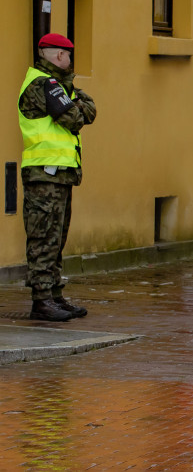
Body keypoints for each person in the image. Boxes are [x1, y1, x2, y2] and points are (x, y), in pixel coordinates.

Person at [18, 33, 97, 322]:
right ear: (57, 56)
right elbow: (76, 118)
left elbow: (89, 108)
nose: (70, 61)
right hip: (43, 175)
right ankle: (41, 300)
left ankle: (54, 295)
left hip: (59, 174)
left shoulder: (60, 86)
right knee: (43, 238)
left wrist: (74, 101)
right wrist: (75, 104)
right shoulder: (43, 84)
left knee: (56, 239)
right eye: (68, 55)